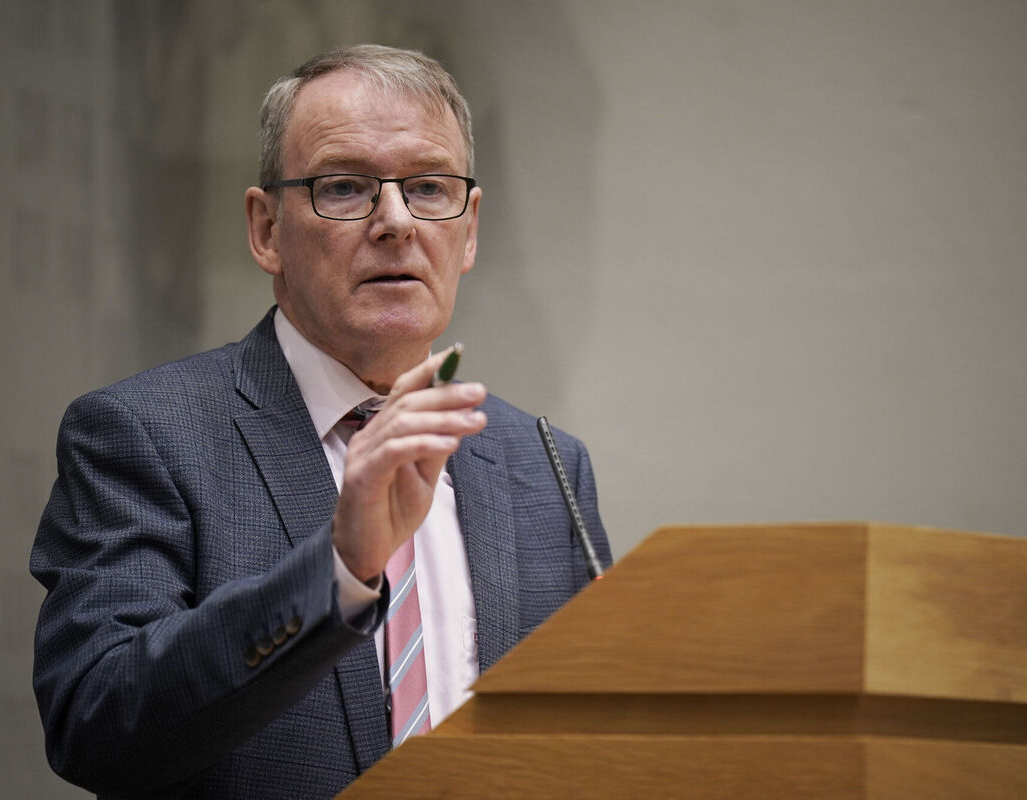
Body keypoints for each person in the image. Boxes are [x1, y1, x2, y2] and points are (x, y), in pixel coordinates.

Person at [30, 45, 610, 799]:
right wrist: (336, 572)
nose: (397, 222)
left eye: (430, 188)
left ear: (468, 231)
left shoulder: (548, 466)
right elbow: (94, 725)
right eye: (344, 188)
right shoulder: (142, 435)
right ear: (266, 228)